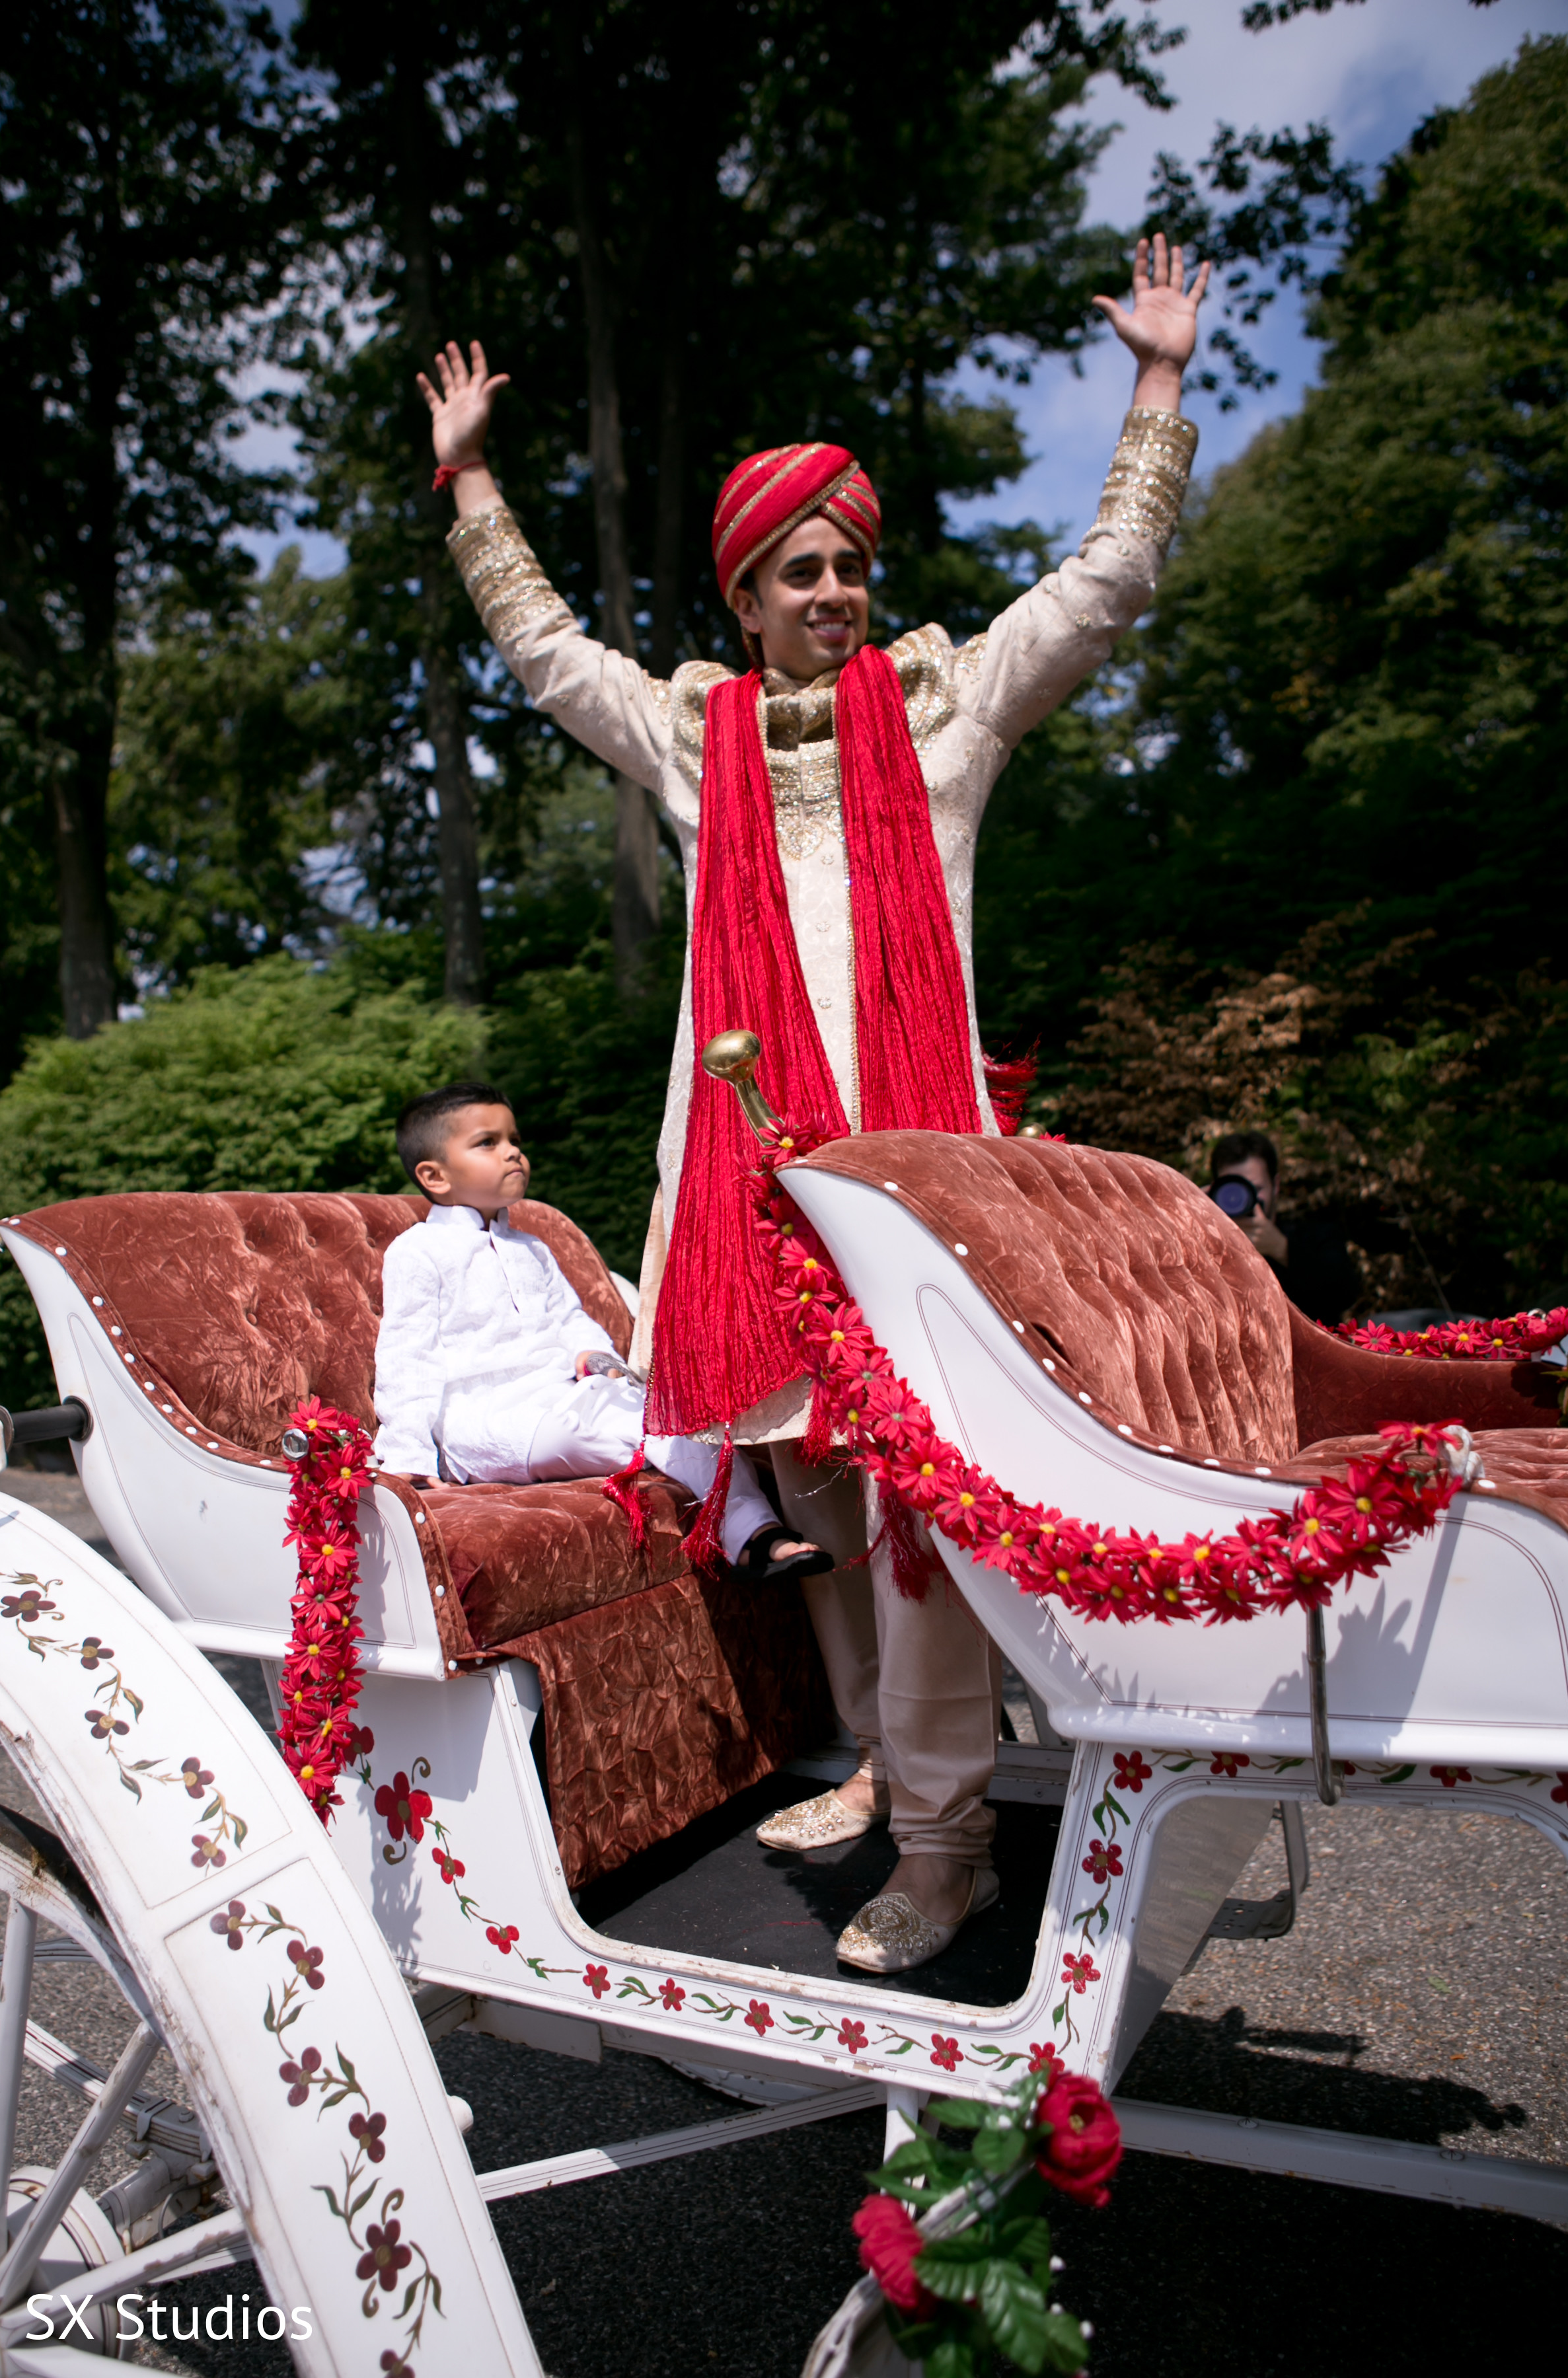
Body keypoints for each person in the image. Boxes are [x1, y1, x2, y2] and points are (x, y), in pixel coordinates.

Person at [418, 233, 1207, 1973]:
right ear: (744, 599)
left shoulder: (947, 714)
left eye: (851, 563)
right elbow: (548, 654)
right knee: (831, 1500)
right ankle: (875, 1772)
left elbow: (1102, 584)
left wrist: (1156, 384)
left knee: (918, 1503)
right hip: (756, 1192)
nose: (836, 592)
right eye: (800, 571)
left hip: (921, 1200)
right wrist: (469, 484)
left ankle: (946, 1848)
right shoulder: (694, 741)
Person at [372, 1080, 829, 1578]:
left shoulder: (530, 1247)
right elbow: (406, 1358)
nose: (513, 1155)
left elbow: (571, 1322)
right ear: (434, 1176)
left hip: (560, 1401)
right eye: (488, 1143)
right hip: (489, 1424)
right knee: (666, 1429)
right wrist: (406, 1457)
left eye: (515, 1140)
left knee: (684, 1411)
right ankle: (755, 1536)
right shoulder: (417, 1251)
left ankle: (756, 1532)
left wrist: (594, 1356)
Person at [1208, 1129, 1360, 1327]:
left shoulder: (1315, 1234)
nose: (1243, 1199)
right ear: (1215, 1191)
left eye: (1255, 1189)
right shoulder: (1204, 1244)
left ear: (1275, 1185)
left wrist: (1282, 1249)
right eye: (1233, 1191)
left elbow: (1344, 1294)